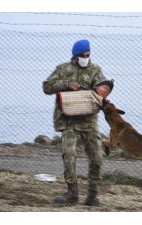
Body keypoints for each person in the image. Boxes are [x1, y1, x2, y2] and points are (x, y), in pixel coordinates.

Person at [43, 39, 113, 207]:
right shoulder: (63, 69)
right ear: (76, 55)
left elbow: (102, 88)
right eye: (84, 55)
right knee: (69, 155)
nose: (87, 57)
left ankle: (92, 196)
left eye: (89, 54)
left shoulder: (96, 70)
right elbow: (47, 87)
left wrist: (103, 92)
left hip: (89, 120)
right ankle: (72, 194)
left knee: (97, 156)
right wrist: (67, 84)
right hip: (68, 120)